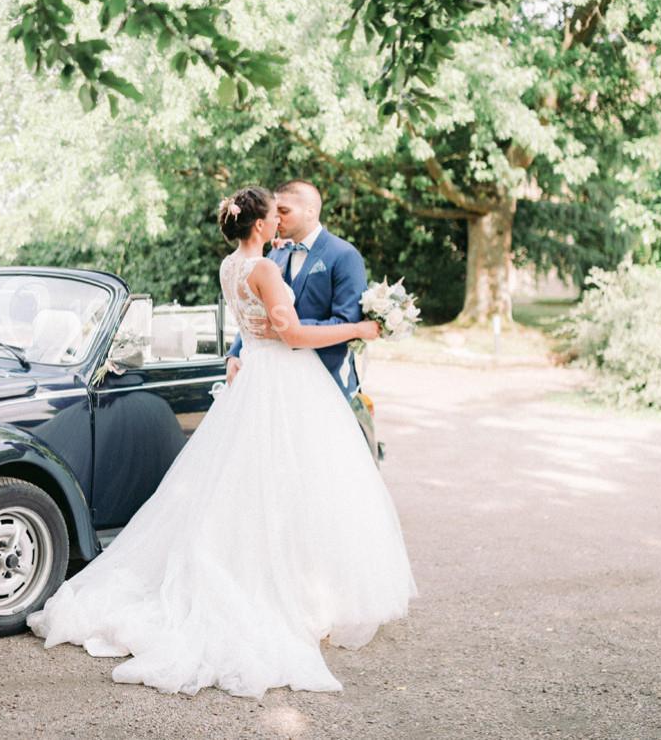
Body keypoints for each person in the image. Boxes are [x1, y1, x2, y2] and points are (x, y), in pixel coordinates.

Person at [25, 186, 417, 698]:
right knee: (292, 482)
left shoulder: (231, 266)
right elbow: (294, 335)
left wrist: (255, 345)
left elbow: (259, 327)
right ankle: (288, 593)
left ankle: (304, 587)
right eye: (271, 216)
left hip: (256, 377)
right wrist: (364, 327)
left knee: (258, 485)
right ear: (259, 226)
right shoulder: (267, 269)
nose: (277, 222)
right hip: (283, 381)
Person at [226, 180, 367, 402]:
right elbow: (258, 309)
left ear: (310, 212)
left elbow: (346, 321)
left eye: (284, 211)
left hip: (328, 380)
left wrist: (286, 331)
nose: (277, 218)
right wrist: (234, 353)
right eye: (275, 211)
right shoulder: (275, 255)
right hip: (279, 384)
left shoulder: (344, 255)